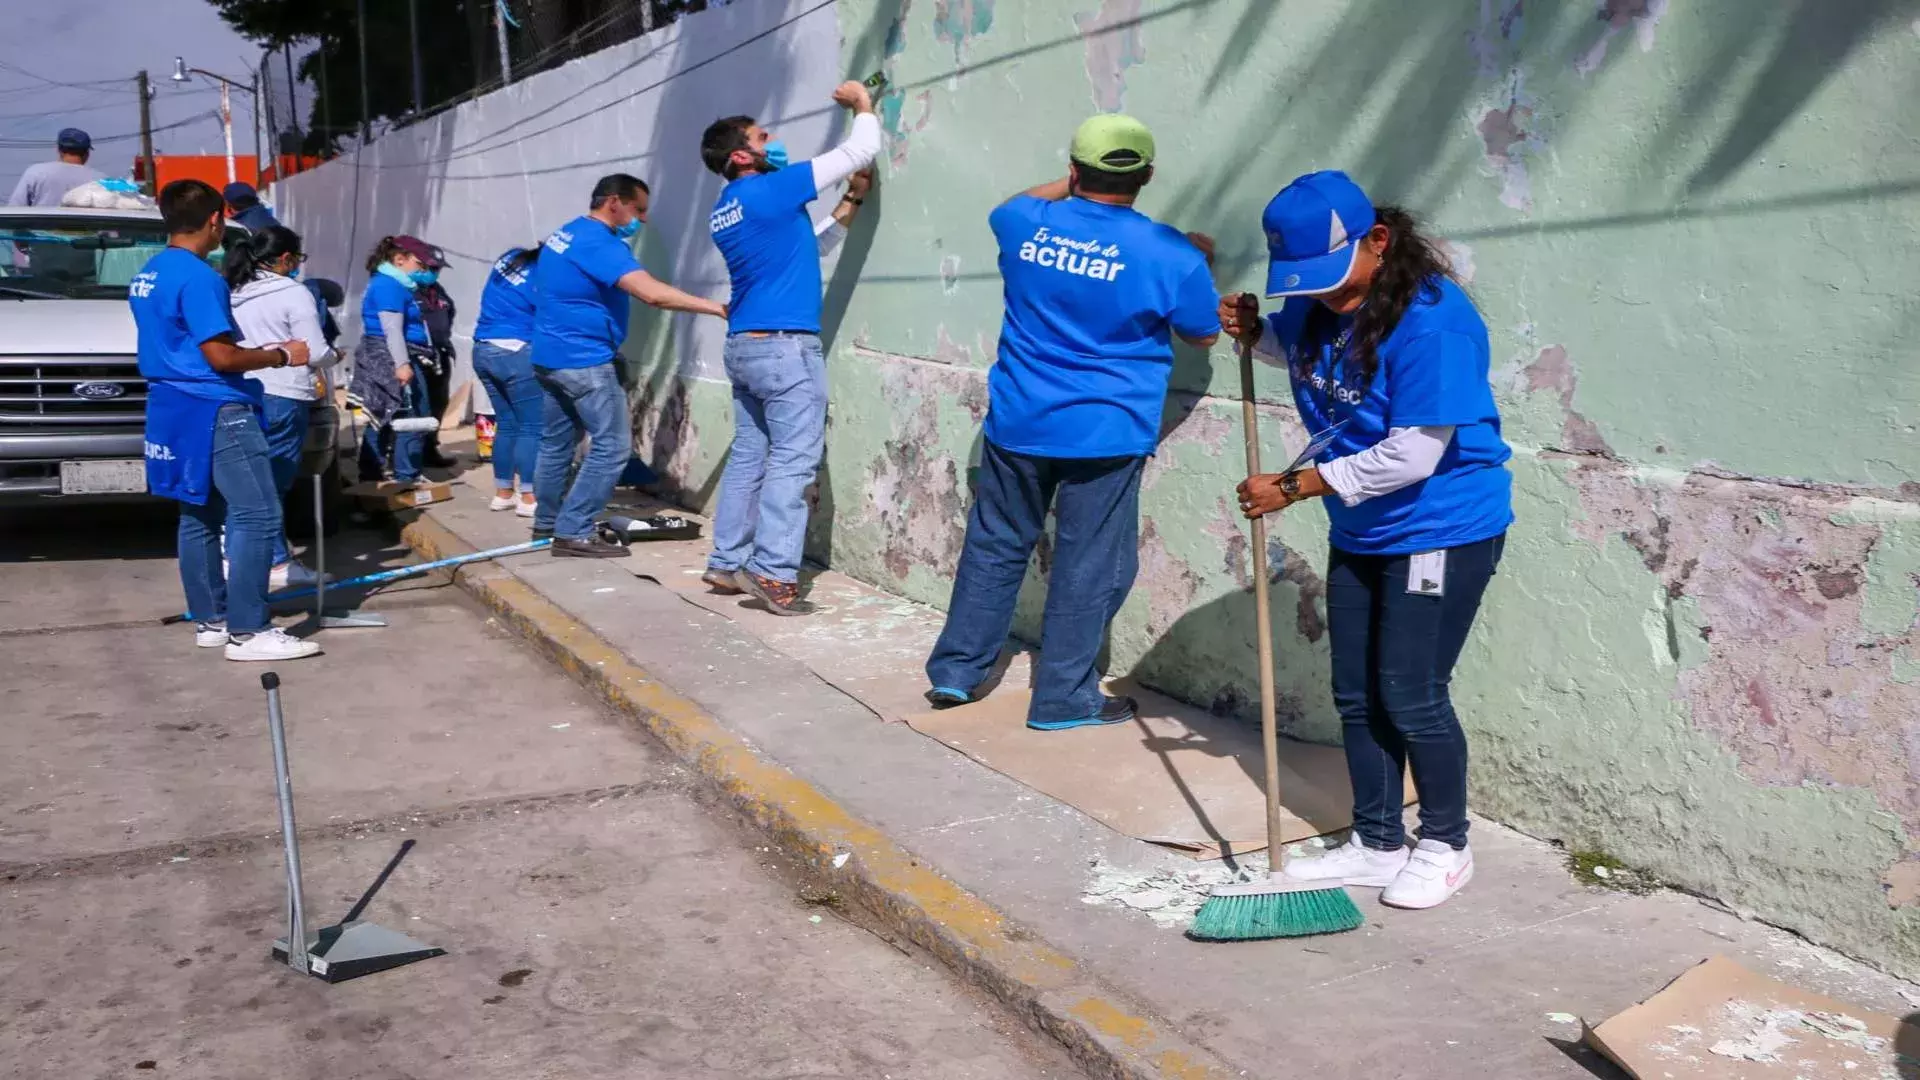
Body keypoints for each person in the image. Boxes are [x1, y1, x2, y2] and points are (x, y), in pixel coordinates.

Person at [1221, 170, 1513, 910]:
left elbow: (1415, 453)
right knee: (1355, 694)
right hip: (1362, 527)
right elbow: (1302, 355)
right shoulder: (1324, 305)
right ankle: (1378, 842)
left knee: (1411, 694)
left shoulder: (1433, 324)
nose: (1324, 295)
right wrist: (1254, 332)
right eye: (1307, 283)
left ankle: (1447, 844)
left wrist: (1291, 486)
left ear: (1378, 242)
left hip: (1440, 526)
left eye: (1333, 276)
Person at [923, 114, 1220, 730]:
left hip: (1019, 420)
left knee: (995, 547)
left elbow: (1013, 202)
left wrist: (1069, 186)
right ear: (1149, 175)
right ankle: (1062, 697)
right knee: (1092, 565)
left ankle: (956, 673)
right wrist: (1194, 264)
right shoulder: (1170, 253)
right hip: (1105, 433)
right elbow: (1204, 332)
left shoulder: (1023, 223)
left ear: (1073, 169)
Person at [697, 79, 882, 613]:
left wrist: (851, 201)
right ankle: (774, 574)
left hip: (746, 347)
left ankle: (728, 562)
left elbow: (809, 246)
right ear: (742, 155)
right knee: (794, 463)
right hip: (784, 350)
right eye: (761, 136)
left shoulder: (729, 207)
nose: (771, 139)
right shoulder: (768, 189)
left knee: (751, 458)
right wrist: (862, 105)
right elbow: (859, 150)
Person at [131, 178, 319, 662]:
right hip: (215, 405)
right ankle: (250, 630)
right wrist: (281, 355)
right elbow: (221, 357)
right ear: (216, 220)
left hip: (172, 403)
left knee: (198, 512)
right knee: (257, 513)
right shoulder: (200, 278)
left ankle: (211, 620)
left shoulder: (149, 272)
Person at [530, 173, 728, 558]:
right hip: (584, 360)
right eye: (638, 209)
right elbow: (651, 294)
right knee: (612, 447)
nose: (643, 219)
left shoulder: (566, 233)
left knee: (556, 444)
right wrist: (717, 307)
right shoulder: (598, 243)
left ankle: (548, 522)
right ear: (614, 202)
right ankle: (573, 532)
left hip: (550, 357)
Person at [227, 224, 335, 589]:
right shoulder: (294, 293)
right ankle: (274, 562)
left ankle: (239, 553)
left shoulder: (235, 289)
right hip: (284, 394)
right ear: (286, 259)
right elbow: (316, 351)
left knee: (247, 480)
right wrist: (335, 356)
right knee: (274, 482)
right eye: (297, 259)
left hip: (243, 391)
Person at [352, 235, 438, 487]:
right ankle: (406, 477)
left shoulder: (393, 284)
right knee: (412, 416)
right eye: (419, 263)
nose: (423, 270)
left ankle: (374, 474)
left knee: (385, 414)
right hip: (391, 356)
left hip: (389, 354)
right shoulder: (388, 286)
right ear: (399, 260)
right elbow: (392, 329)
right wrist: (402, 364)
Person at [472, 244, 544, 516]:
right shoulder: (543, 273)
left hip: (483, 348)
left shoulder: (511, 257)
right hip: (515, 351)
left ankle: (503, 494)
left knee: (507, 422)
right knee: (532, 426)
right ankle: (529, 497)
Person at [412, 242, 461, 468]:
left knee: (438, 403)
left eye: (437, 269)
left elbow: (448, 311)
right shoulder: (406, 289)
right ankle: (409, 454)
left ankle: (430, 448)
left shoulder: (437, 290)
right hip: (417, 356)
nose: (434, 273)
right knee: (416, 406)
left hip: (439, 354)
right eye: (431, 268)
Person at [8, 128, 102, 207]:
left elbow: (15, 208)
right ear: (87, 153)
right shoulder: (101, 180)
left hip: (38, 228)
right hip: (87, 228)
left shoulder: (36, 172)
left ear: (59, 150)